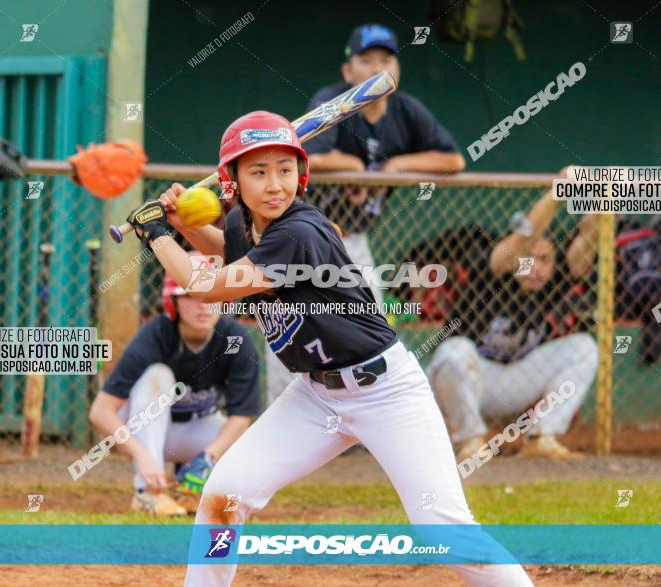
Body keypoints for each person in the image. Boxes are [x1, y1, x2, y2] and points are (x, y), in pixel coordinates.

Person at [125, 111, 532, 586]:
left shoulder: (300, 232)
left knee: (441, 528)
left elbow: (208, 285)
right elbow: (226, 250)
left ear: (302, 174)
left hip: (385, 390)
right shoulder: (246, 225)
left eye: (284, 169)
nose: (276, 184)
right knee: (226, 495)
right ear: (232, 180)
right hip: (317, 395)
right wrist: (177, 223)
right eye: (258, 172)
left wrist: (156, 234)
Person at [258, 23, 467, 402]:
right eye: (365, 60)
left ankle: (363, 415)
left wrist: (396, 165)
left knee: (371, 324)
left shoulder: (406, 111)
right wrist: (351, 166)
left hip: (352, 240)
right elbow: (305, 155)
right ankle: (281, 414)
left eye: (385, 60)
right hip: (300, 238)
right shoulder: (334, 100)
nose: (376, 68)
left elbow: (454, 160)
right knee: (291, 324)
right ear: (348, 71)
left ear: (397, 69)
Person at [427, 179, 599, 460]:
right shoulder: (492, 268)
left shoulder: (550, 281)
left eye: (545, 260)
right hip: (466, 380)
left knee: (584, 348)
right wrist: (560, 189)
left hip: (512, 381)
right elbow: (523, 240)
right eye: (529, 258)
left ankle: (542, 438)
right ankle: (470, 441)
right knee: (454, 352)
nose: (536, 268)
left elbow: (587, 245)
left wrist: (605, 198)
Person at [88, 268, 261, 515]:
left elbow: (241, 416)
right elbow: (100, 412)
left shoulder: (235, 338)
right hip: (140, 432)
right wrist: (142, 456)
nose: (203, 305)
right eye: (191, 295)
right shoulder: (157, 333)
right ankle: (148, 494)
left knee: (242, 443)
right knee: (157, 375)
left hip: (193, 430)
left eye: (211, 296)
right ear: (174, 301)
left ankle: (190, 491)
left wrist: (208, 456)